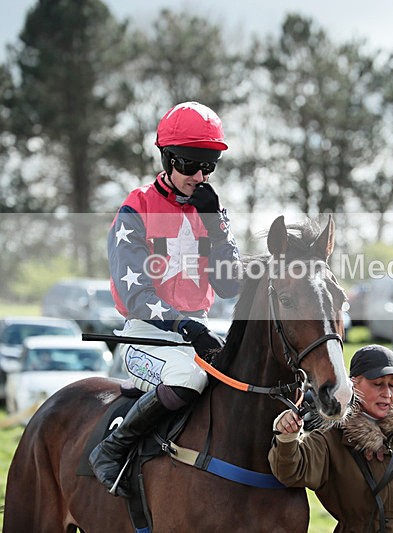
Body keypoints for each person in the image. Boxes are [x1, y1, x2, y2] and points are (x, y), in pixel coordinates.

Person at [89, 101, 241, 497]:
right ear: (168, 158)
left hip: (198, 332)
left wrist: (217, 226)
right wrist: (183, 324)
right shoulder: (135, 208)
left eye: (209, 167)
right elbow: (135, 294)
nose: (200, 176)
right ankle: (112, 448)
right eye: (190, 165)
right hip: (147, 336)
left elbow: (231, 286)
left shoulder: (212, 211)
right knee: (190, 377)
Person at [269, 345, 393, 532]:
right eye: (378, 384)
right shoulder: (331, 436)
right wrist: (287, 437)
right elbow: (290, 471)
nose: (387, 393)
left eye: (392, 385)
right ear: (353, 384)